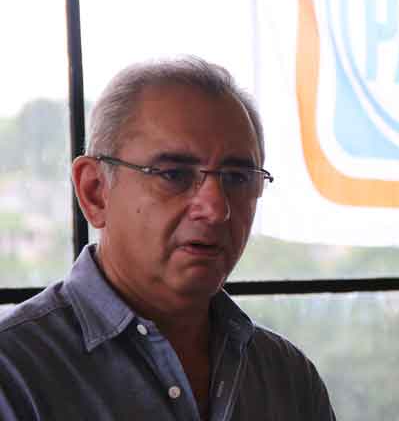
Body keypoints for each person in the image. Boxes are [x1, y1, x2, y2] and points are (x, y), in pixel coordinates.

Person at [0, 56, 336, 420]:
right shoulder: (14, 374)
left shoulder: (287, 377)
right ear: (95, 191)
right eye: (174, 174)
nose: (216, 208)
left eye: (237, 178)